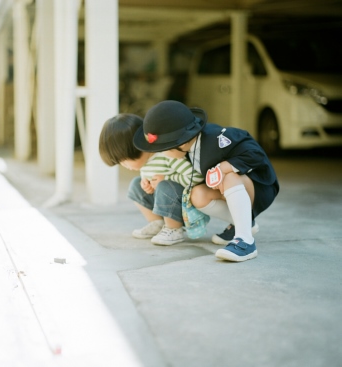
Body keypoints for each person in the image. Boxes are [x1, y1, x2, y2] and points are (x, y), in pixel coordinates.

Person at [133, 100, 279, 262]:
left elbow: (256, 154)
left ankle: (245, 241)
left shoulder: (218, 138)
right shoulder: (188, 150)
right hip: (231, 190)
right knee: (197, 194)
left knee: (230, 176)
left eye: (164, 149)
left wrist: (224, 168)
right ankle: (243, 223)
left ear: (182, 142)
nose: (162, 154)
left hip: (258, 187)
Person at [99, 113, 202, 246]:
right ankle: (157, 223)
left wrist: (167, 178)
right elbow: (150, 175)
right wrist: (146, 183)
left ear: (137, 148)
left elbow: (196, 177)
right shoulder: (146, 161)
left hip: (184, 206)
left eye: (124, 161)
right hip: (166, 202)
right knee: (135, 184)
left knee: (164, 185)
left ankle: (174, 228)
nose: (126, 166)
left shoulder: (167, 155)